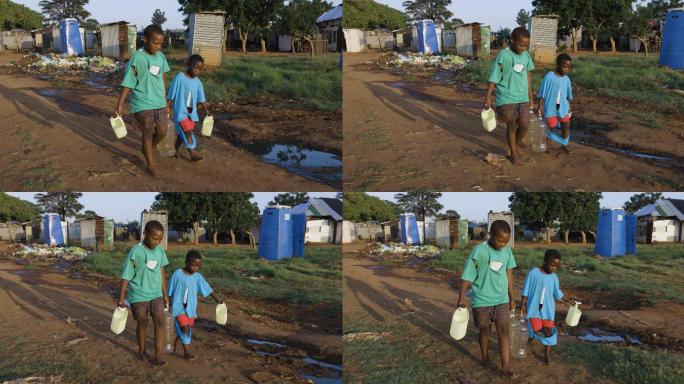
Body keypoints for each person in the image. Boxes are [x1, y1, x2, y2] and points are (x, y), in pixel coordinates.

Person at [457, 220, 518, 378]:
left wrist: (512, 298)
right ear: (491, 234)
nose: (502, 244)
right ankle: (485, 358)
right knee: (485, 330)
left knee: (504, 332)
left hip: (502, 299)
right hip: (482, 300)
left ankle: (506, 367)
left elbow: (509, 275)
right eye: (500, 240)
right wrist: (461, 297)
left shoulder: (507, 252)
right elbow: (468, 274)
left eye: (506, 241)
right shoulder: (479, 251)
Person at [114, 24, 171, 178]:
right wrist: (120, 104)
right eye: (155, 42)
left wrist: (165, 98)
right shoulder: (137, 57)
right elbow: (129, 81)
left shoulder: (160, 56)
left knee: (162, 132)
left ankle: (147, 149)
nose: (158, 46)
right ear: (145, 39)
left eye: (160, 43)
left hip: (159, 102)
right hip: (142, 102)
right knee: (148, 131)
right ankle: (150, 163)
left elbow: (163, 77)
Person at [117, 220, 170, 367]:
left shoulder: (160, 251)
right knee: (143, 322)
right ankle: (141, 351)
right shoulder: (136, 251)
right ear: (145, 234)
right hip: (139, 295)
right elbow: (126, 274)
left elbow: (161, 271)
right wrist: (121, 298)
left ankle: (158, 355)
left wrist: (165, 294)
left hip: (156, 294)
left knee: (159, 322)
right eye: (154, 238)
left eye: (160, 239)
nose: (157, 242)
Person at [485, 27, 536, 166]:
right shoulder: (504, 55)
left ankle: (515, 145)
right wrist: (488, 97)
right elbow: (494, 76)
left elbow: (528, 76)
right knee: (512, 125)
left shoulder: (526, 55)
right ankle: (513, 153)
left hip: (523, 97)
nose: (523, 48)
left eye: (526, 45)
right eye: (520, 44)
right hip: (506, 97)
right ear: (512, 40)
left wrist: (530, 95)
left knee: (525, 124)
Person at [520, 249, 576, 364]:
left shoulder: (554, 277)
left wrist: (568, 301)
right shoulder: (533, 273)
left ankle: (547, 355)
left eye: (556, 266)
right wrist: (522, 304)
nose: (553, 268)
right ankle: (527, 344)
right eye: (552, 265)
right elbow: (526, 289)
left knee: (548, 332)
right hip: (534, 310)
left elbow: (557, 293)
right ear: (545, 261)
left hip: (548, 311)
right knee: (534, 330)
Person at [167, 250, 223, 360]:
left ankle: (176, 342)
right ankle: (186, 352)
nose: (195, 268)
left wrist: (218, 299)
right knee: (186, 328)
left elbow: (207, 288)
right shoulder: (177, 274)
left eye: (198, 266)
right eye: (193, 265)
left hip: (191, 309)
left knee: (185, 329)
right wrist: (168, 304)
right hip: (178, 307)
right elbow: (170, 290)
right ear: (186, 262)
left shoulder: (197, 277)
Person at [166, 54, 210, 162]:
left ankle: (174, 149)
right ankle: (192, 154)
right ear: (188, 65)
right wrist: (167, 107)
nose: (197, 71)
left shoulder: (198, 82)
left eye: (199, 69)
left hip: (191, 113)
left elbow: (202, 98)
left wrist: (206, 110)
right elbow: (171, 93)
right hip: (180, 112)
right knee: (188, 132)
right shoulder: (180, 77)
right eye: (195, 67)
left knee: (183, 134)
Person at [538, 54, 573, 153]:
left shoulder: (567, 79)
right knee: (552, 129)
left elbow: (568, 95)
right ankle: (548, 147)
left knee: (566, 126)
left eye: (568, 67)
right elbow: (542, 91)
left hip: (563, 108)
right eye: (564, 67)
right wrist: (540, 105)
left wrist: (569, 107)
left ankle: (565, 144)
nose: (566, 69)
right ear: (557, 64)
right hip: (550, 108)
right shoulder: (549, 76)